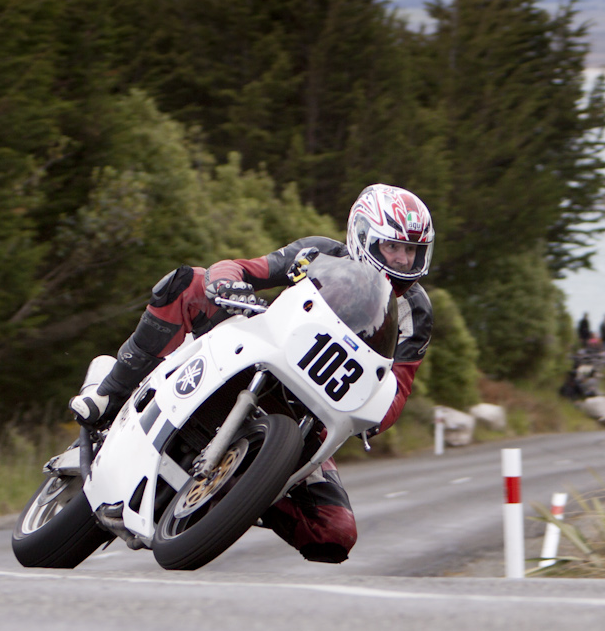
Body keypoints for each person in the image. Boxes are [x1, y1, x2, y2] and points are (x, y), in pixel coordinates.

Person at [69, 183, 435, 564]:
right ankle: (109, 393)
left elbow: (399, 388)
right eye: (392, 247)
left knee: (335, 533)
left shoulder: (417, 313)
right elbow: (246, 268)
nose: (402, 260)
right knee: (187, 283)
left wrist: (372, 415)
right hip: (261, 354)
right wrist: (228, 282)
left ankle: (245, 490)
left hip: (312, 415)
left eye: (411, 251)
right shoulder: (319, 254)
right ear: (362, 235)